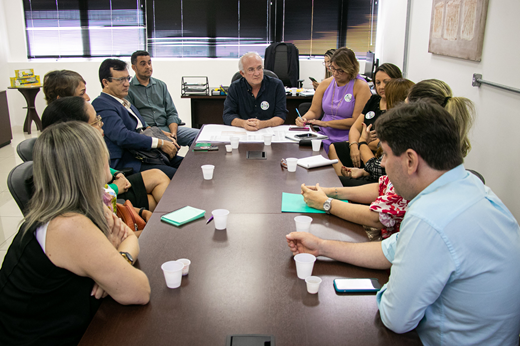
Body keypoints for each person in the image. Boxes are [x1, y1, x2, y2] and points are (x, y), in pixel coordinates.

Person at [288, 102, 520, 345]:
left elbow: (394, 318)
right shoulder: (475, 189)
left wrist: (392, 286)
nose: (384, 165)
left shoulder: (430, 217)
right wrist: (322, 247)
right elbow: (390, 250)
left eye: (386, 154)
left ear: (410, 160)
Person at [0, 121, 150, 345]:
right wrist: (117, 261)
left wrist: (120, 258)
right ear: (88, 165)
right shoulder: (69, 225)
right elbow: (139, 291)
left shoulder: (73, 204)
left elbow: (128, 236)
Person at [302, 78, 475, 240]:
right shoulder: (435, 159)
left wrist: (327, 203)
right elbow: (384, 186)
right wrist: (332, 192)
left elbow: (380, 218)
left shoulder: (423, 170)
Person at [42, 70, 170, 211]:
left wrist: (115, 173)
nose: (87, 97)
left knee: (158, 177)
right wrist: (115, 188)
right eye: (81, 93)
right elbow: (82, 193)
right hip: (100, 196)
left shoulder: (71, 132)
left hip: (107, 183)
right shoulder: (65, 142)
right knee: (153, 199)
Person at [92, 59, 183, 179]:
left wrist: (162, 135)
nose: (126, 84)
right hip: (131, 161)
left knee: (191, 165)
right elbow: (122, 136)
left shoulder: (123, 102)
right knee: (181, 176)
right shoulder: (102, 104)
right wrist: (160, 143)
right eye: (120, 80)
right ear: (105, 82)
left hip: (148, 155)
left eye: (127, 78)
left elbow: (141, 128)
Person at [328, 63, 403, 175]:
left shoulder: (400, 107)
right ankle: (343, 181)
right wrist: (353, 145)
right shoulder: (374, 100)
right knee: (334, 147)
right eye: (378, 83)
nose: (381, 86)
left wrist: (362, 143)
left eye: (386, 82)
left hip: (379, 154)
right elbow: (355, 128)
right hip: (361, 145)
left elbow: (385, 144)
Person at [339, 78, 415, 186]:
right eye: (378, 82)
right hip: (378, 177)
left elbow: (377, 169)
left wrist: (362, 141)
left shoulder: (402, 131)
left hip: (381, 184)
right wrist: (363, 170)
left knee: (336, 184)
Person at [295, 47, 372, 153]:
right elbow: (314, 111)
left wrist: (326, 123)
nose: (335, 73)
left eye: (340, 71)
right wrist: (303, 118)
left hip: (348, 140)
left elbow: (356, 121)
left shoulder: (361, 86)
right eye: (333, 68)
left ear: (351, 68)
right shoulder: (326, 84)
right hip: (323, 137)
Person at [127, 50, 199, 147]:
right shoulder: (129, 90)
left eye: (149, 63)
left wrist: (173, 134)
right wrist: (163, 135)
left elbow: (172, 112)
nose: (148, 67)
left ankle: (197, 162)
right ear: (134, 67)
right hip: (148, 133)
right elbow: (138, 121)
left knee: (200, 136)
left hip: (168, 128)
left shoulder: (161, 85)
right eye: (143, 64)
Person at [223, 52, 287, 131]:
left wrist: (262, 124)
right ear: (242, 73)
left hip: (269, 133)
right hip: (243, 132)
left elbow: (281, 115)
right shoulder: (235, 87)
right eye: (251, 70)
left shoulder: (276, 85)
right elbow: (228, 115)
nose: (257, 73)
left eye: (259, 68)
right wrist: (243, 123)